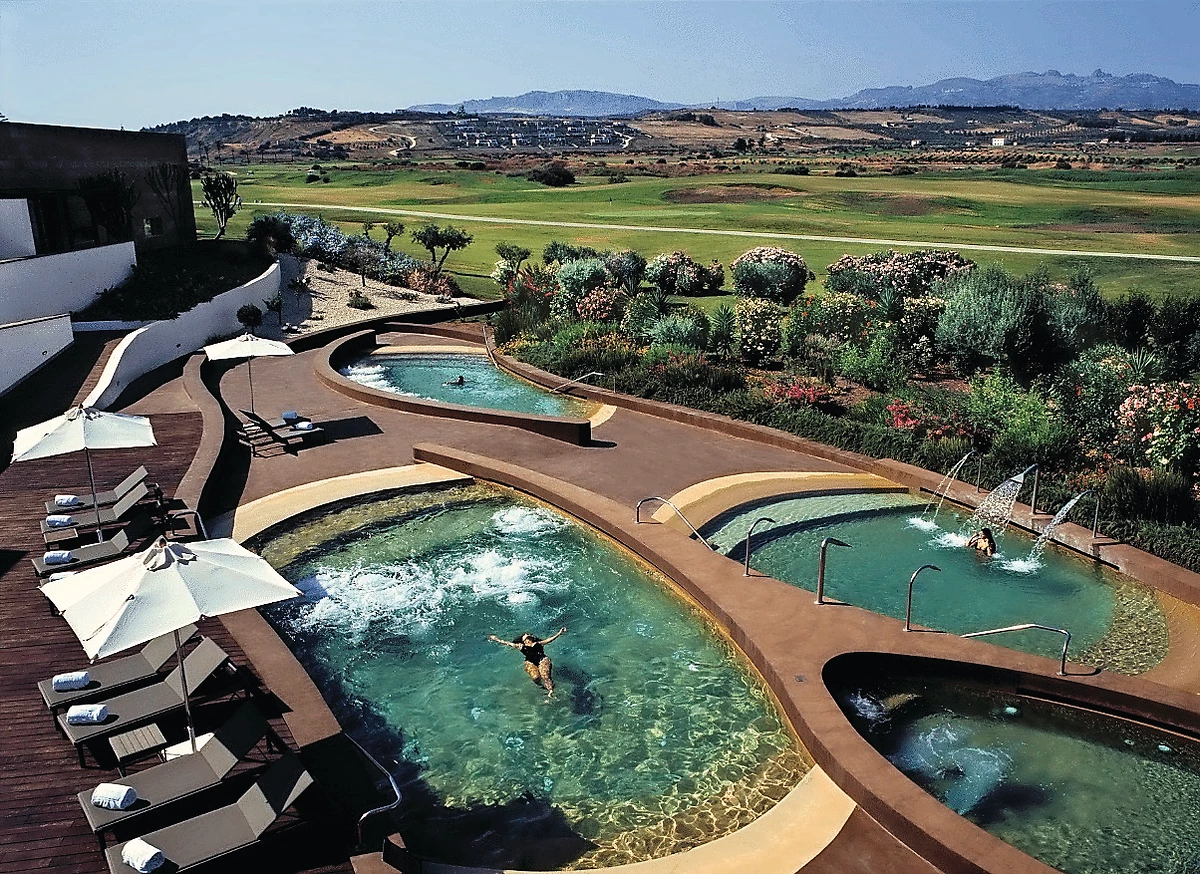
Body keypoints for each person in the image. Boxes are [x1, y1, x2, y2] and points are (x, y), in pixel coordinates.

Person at [487, 627, 566, 697]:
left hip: (542, 659)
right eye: (525, 636)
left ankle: (550, 692)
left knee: (545, 675)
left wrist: (559, 632)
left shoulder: (538, 643)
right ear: (523, 640)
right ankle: (543, 687)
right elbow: (506, 643)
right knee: (535, 678)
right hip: (530, 661)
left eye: (529, 636)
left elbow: (550, 639)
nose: (527, 636)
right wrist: (496, 639)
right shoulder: (520, 646)